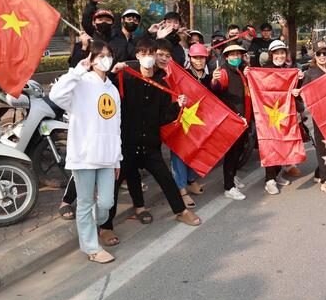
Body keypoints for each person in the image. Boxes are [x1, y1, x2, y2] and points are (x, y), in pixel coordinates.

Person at [98, 38, 200, 246]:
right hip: (126, 146)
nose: (148, 58)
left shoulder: (161, 85)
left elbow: (163, 117)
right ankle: (105, 227)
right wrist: (113, 73)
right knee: (113, 187)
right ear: (137, 56)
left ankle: (181, 211)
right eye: (144, 54)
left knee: (166, 179)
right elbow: (102, 90)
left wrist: (178, 107)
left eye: (151, 53)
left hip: (151, 146)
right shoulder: (125, 78)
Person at [49, 41, 121, 264]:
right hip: (85, 156)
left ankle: (91, 223)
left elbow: (115, 125)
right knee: (85, 202)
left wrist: (118, 158)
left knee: (107, 203)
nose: (104, 59)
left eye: (108, 54)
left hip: (108, 157)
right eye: (99, 55)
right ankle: (91, 248)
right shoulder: (80, 83)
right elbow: (56, 95)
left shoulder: (112, 89)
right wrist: (78, 70)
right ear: (91, 59)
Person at [261, 40, 304, 195]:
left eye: (282, 53)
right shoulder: (263, 70)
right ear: (271, 54)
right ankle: (269, 180)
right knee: (271, 145)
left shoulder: (289, 70)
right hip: (268, 114)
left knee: (282, 144)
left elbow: (296, 90)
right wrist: (248, 74)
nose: (279, 56)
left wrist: (299, 78)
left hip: (284, 113)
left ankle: (277, 174)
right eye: (276, 53)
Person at [171, 43, 210, 209]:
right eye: (195, 57)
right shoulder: (183, 75)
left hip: (199, 122)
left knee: (197, 150)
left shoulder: (209, 78)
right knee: (180, 153)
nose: (199, 61)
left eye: (202, 57)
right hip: (182, 121)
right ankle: (181, 189)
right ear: (190, 59)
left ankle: (191, 179)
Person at [211, 44, 251, 201]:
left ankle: (232, 176)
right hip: (231, 121)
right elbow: (217, 88)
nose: (236, 57)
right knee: (231, 153)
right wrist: (214, 81)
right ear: (226, 57)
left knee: (238, 151)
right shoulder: (223, 72)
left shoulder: (239, 71)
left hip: (243, 119)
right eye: (232, 55)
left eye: (238, 55)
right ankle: (228, 187)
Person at [302, 40, 326, 195]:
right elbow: (303, 93)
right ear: (314, 56)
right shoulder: (309, 73)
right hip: (320, 116)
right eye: (319, 53)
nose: (322, 56)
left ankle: (320, 172)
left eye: (325, 53)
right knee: (323, 147)